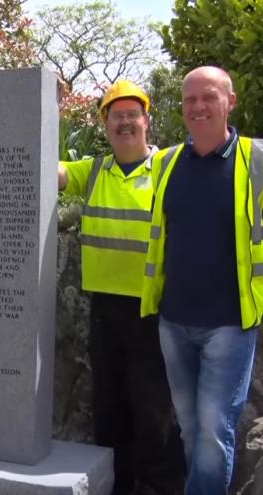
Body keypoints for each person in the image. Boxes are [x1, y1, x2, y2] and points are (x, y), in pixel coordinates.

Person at [59, 81, 185, 494]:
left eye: (133, 114)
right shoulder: (93, 171)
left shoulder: (169, 169)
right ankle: (118, 486)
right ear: (106, 124)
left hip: (152, 310)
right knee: (110, 409)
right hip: (105, 310)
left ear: (146, 120)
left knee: (154, 412)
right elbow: (47, 168)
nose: (125, 122)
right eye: (117, 115)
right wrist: (45, 105)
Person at [141, 66, 263, 495]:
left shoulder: (259, 160)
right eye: (190, 98)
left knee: (214, 433)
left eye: (208, 97)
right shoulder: (167, 162)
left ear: (230, 101)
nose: (197, 106)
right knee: (191, 430)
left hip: (230, 324)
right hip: (174, 321)